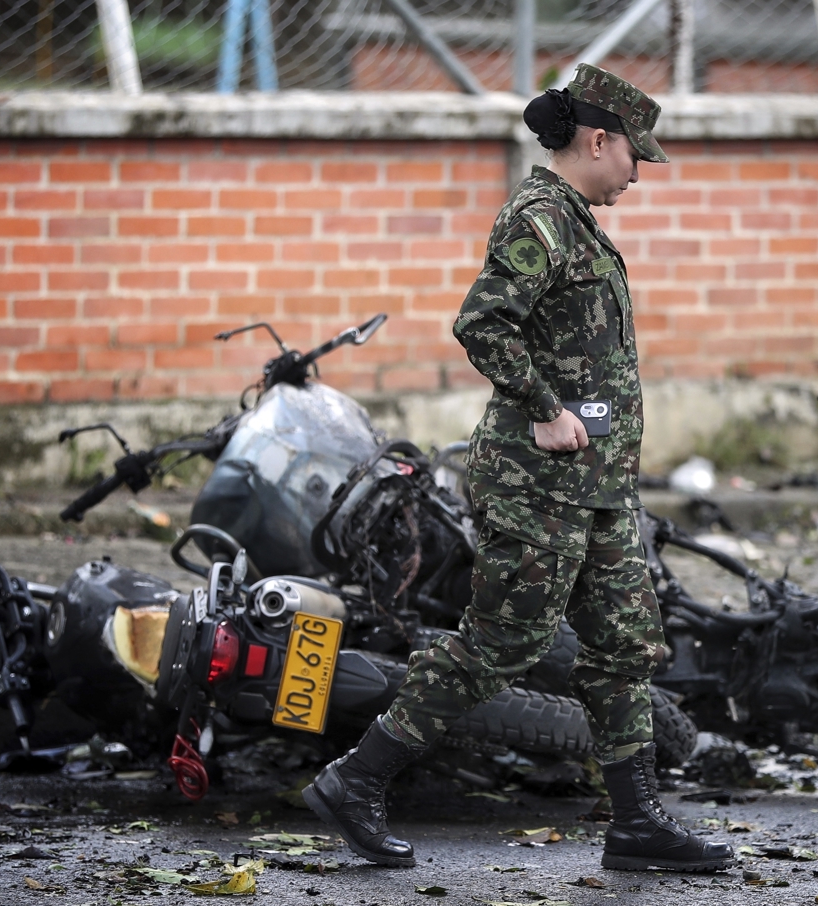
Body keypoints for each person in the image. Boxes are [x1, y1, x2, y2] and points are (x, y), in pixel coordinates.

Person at [304, 63, 735, 875]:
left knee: (624, 645)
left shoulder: (577, 223)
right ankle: (356, 779)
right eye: (634, 154)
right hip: (538, 486)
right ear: (597, 140)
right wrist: (543, 407)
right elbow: (482, 324)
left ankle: (637, 824)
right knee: (502, 642)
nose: (639, 172)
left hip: (596, 486)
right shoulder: (540, 219)